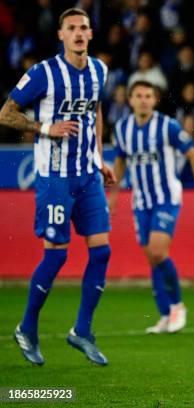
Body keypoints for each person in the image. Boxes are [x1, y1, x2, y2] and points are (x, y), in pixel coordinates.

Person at [0, 8, 115, 366]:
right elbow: (6, 113)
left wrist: (98, 157)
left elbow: (94, 111)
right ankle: (27, 328)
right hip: (54, 176)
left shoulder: (99, 70)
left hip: (88, 174)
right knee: (57, 254)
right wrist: (45, 128)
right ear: (61, 35)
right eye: (71, 29)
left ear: (91, 34)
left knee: (101, 252)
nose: (78, 34)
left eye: (83, 28)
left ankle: (82, 331)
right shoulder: (43, 73)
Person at [108, 80, 194, 334]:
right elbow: (120, 162)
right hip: (140, 201)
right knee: (152, 258)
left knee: (157, 252)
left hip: (166, 197)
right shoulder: (122, 129)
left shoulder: (168, 127)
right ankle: (165, 315)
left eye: (148, 96)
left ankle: (177, 306)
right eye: (138, 95)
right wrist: (112, 195)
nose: (143, 100)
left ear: (155, 100)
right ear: (130, 100)